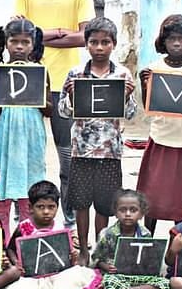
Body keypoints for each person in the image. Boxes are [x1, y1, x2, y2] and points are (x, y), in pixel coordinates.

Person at [14, 0, 95, 228]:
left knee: (68, 159)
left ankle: (71, 223)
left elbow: (85, 36)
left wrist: (39, 36)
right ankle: (26, 223)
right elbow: (19, 34)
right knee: (28, 158)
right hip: (27, 84)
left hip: (67, 84)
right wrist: (61, 32)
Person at [58, 17, 135, 266]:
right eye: (94, 42)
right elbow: (63, 111)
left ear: (114, 44)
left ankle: (100, 251)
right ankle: (83, 250)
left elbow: (132, 115)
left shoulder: (123, 74)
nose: (99, 47)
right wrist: (70, 95)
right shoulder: (76, 74)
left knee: (103, 204)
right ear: (86, 44)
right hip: (81, 150)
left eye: (105, 42)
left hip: (110, 151)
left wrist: (127, 96)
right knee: (81, 203)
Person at [137, 15, 182, 233]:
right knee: (154, 193)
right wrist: (144, 82)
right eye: (172, 38)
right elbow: (149, 105)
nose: (176, 43)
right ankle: (148, 239)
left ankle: (180, 239)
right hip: (160, 139)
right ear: (163, 41)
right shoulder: (153, 69)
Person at [0, 181, 102, 289]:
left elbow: (65, 253)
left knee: (75, 280)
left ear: (57, 207)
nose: (46, 211)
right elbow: (10, 249)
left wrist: (73, 255)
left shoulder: (59, 227)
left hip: (57, 273)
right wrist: (16, 262)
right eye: (40, 207)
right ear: (30, 208)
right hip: (33, 275)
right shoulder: (24, 227)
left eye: (51, 207)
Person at [0, 18, 51, 238]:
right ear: (6, 43)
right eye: (14, 41)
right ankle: (2, 246)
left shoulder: (39, 71)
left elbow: (49, 111)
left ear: (33, 44)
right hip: (6, 138)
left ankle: (27, 243)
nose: (20, 47)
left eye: (25, 42)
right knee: (3, 197)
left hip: (31, 138)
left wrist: (39, 93)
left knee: (28, 191)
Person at [92, 189, 173, 289]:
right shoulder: (107, 234)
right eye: (123, 210)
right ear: (115, 212)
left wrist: (151, 267)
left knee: (164, 282)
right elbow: (96, 258)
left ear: (141, 214)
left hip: (138, 276)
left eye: (133, 210)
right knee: (107, 281)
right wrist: (106, 267)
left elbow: (150, 259)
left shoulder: (146, 234)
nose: (128, 214)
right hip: (117, 275)